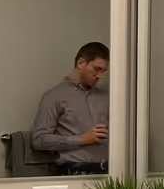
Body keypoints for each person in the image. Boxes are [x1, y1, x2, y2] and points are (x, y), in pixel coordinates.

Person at [31, 42, 109, 174]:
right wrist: (82, 139)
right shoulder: (54, 96)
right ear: (80, 63)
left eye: (103, 71)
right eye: (96, 69)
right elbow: (39, 140)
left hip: (109, 172)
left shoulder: (107, 96)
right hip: (73, 172)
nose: (100, 76)